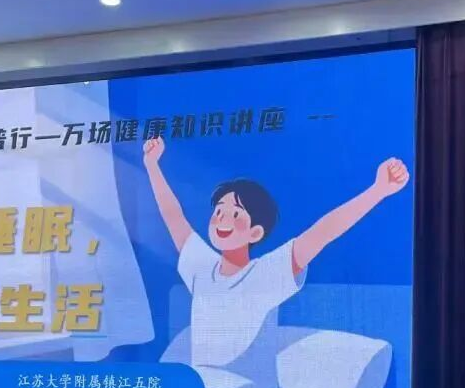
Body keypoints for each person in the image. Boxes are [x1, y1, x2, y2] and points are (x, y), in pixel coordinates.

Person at [141, 135, 409, 371]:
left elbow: (323, 232)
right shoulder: (202, 268)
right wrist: (152, 165)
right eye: (219, 210)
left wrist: (378, 191)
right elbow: (174, 216)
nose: (222, 218)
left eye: (235, 214)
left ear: (255, 233)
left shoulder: (265, 275)